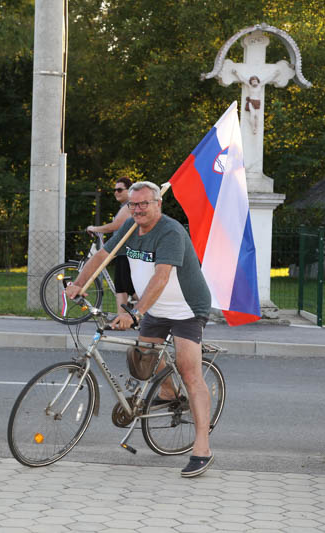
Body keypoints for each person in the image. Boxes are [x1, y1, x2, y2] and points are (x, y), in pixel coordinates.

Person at [66, 181, 215, 478]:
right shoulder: (130, 228)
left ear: (158, 204)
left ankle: (202, 448)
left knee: (189, 371)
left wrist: (135, 313)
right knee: (141, 358)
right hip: (156, 308)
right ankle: (169, 393)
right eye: (133, 204)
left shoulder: (170, 232)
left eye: (144, 203)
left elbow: (161, 277)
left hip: (186, 309)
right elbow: (102, 256)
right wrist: (79, 283)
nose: (138, 209)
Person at [86, 177, 136, 311]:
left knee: (130, 288)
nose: (116, 192)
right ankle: (122, 317)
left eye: (119, 189)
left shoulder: (129, 206)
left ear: (129, 190)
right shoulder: (124, 207)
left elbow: (116, 225)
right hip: (121, 251)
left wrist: (95, 228)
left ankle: (153, 311)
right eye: (114, 190)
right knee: (120, 288)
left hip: (127, 251)